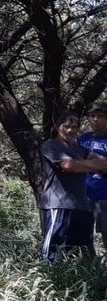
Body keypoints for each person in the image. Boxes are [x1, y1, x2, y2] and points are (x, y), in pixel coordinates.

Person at [38, 113, 107, 261]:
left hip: (82, 206)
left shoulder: (80, 149)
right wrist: (93, 165)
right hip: (58, 205)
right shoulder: (51, 145)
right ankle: (49, 280)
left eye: (74, 127)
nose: (70, 130)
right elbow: (68, 166)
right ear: (57, 127)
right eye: (66, 126)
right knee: (53, 252)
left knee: (80, 253)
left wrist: (86, 164)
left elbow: (103, 164)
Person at [81, 105, 107, 252]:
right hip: (84, 196)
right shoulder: (83, 139)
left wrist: (101, 161)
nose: (96, 119)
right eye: (92, 116)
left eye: (100, 116)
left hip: (105, 196)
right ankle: (89, 271)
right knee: (83, 236)